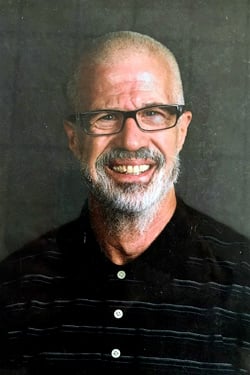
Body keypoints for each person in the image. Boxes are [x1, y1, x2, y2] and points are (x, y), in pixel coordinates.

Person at [0, 30, 249, 375]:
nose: (131, 141)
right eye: (105, 116)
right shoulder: (15, 285)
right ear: (74, 138)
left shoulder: (243, 281)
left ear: (182, 131)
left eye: (154, 114)